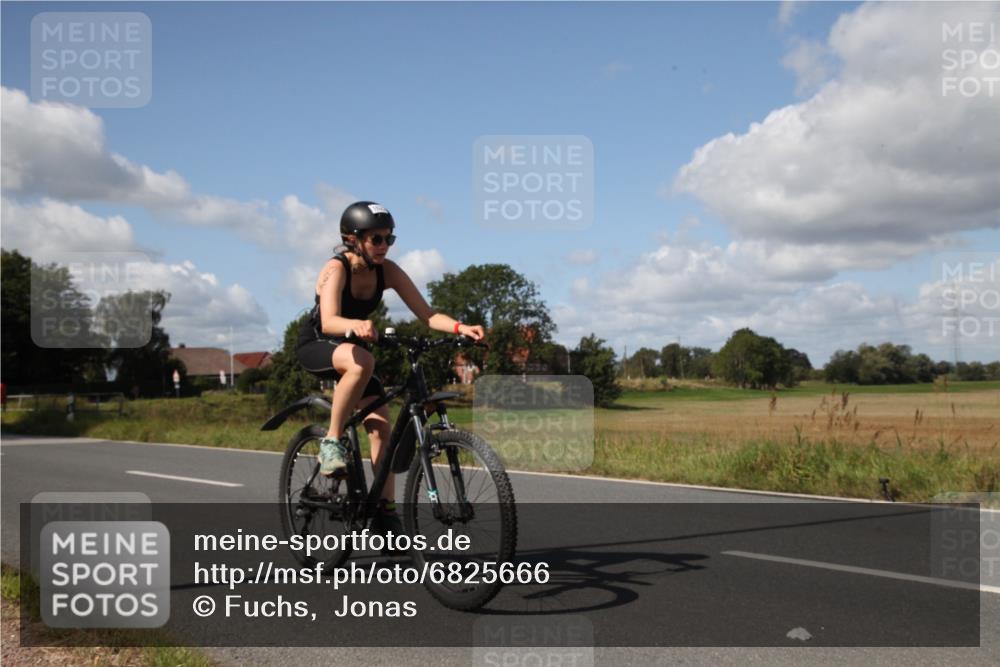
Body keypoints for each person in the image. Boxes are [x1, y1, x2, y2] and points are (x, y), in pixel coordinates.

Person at [295, 201, 485, 533]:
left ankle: (384, 514)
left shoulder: (389, 270)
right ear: (353, 239)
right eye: (376, 239)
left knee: (381, 428)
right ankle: (332, 441)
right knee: (364, 361)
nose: (384, 246)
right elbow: (328, 321)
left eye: (389, 239)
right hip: (319, 344)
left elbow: (427, 315)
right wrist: (355, 324)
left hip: (355, 353)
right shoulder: (336, 268)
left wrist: (459, 327)